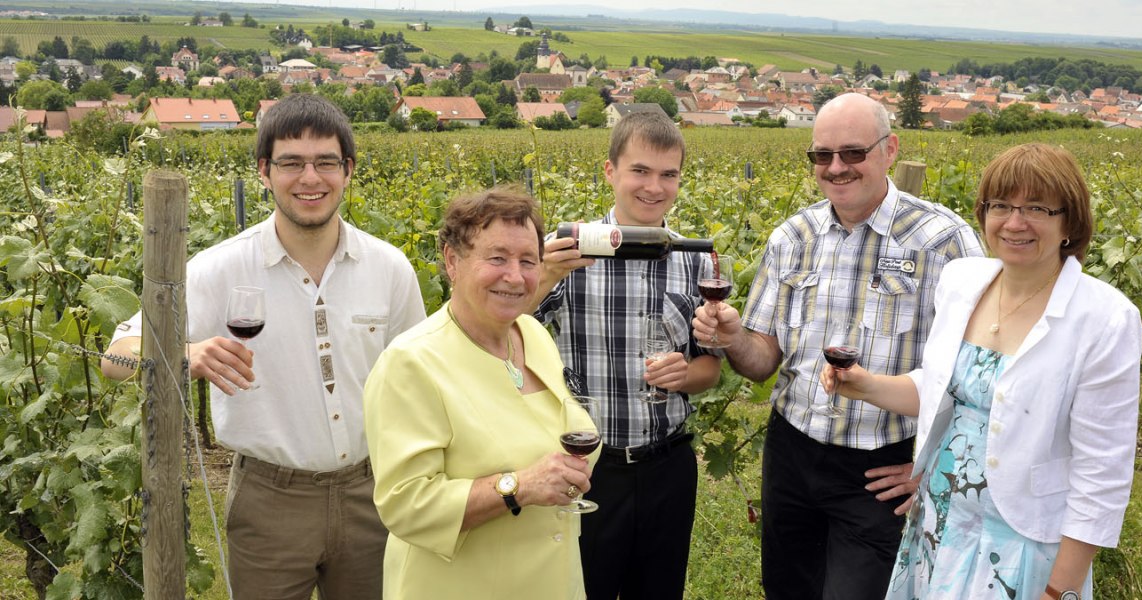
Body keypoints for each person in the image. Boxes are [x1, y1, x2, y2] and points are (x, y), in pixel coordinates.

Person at [101, 93, 427, 599]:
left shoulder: (390, 269)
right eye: (291, 163)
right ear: (264, 171)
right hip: (269, 501)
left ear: (349, 169)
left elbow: (417, 376)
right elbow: (115, 357)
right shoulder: (219, 269)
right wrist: (187, 355)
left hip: (374, 495)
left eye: (325, 162)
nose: (310, 178)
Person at [692, 92, 985, 600]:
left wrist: (936, 466)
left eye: (853, 153)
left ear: (890, 149)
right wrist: (734, 337)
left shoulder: (944, 242)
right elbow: (763, 364)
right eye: (821, 156)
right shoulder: (792, 237)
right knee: (787, 588)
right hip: (792, 456)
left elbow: (981, 372)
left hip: (881, 468)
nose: (836, 167)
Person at [821, 143, 1141, 600]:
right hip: (940, 522)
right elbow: (943, 390)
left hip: (1021, 542)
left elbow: (1102, 475)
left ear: (1069, 222)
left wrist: (1061, 590)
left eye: (1037, 208)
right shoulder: (962, 281)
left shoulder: (1105, 318)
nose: (1015, 223)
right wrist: (865, 385)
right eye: (1002, 206)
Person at [363, 187, 598, 599]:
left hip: (552, 583)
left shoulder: (533, 334)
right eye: (497, 258)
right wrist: (518, 487)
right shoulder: (411, 363)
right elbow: (405, 504)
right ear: (453, 261)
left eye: (528, 261)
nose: (515, 275)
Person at [532, 110, 722, 600]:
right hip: (588, 468)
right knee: (583, 588)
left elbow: (710, 369)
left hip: (667, 467)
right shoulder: (569, 250)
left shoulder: (694, 258)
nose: (653, 187)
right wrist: (547, 275)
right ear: (610, 171)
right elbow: (507, 329)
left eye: (668, 174)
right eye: (640, 170)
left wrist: (686, 375)